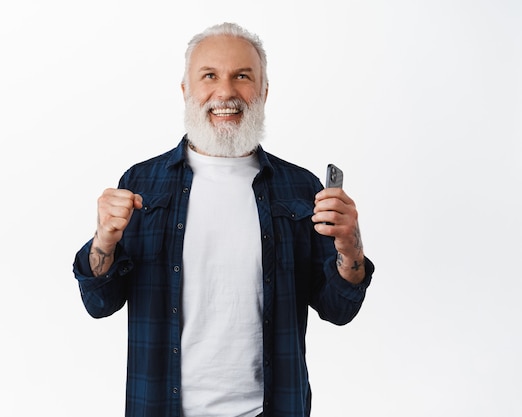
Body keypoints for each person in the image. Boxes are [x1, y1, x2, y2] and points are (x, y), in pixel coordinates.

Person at [73, 22, 374, 417]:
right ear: (186, 91)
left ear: (264, 91)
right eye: (210, 76)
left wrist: (350, 248)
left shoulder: (300, 189)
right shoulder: (141, 183)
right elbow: (99, 303)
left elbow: (339, 309)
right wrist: (104, 242)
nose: (226, 92)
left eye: (242, 76)